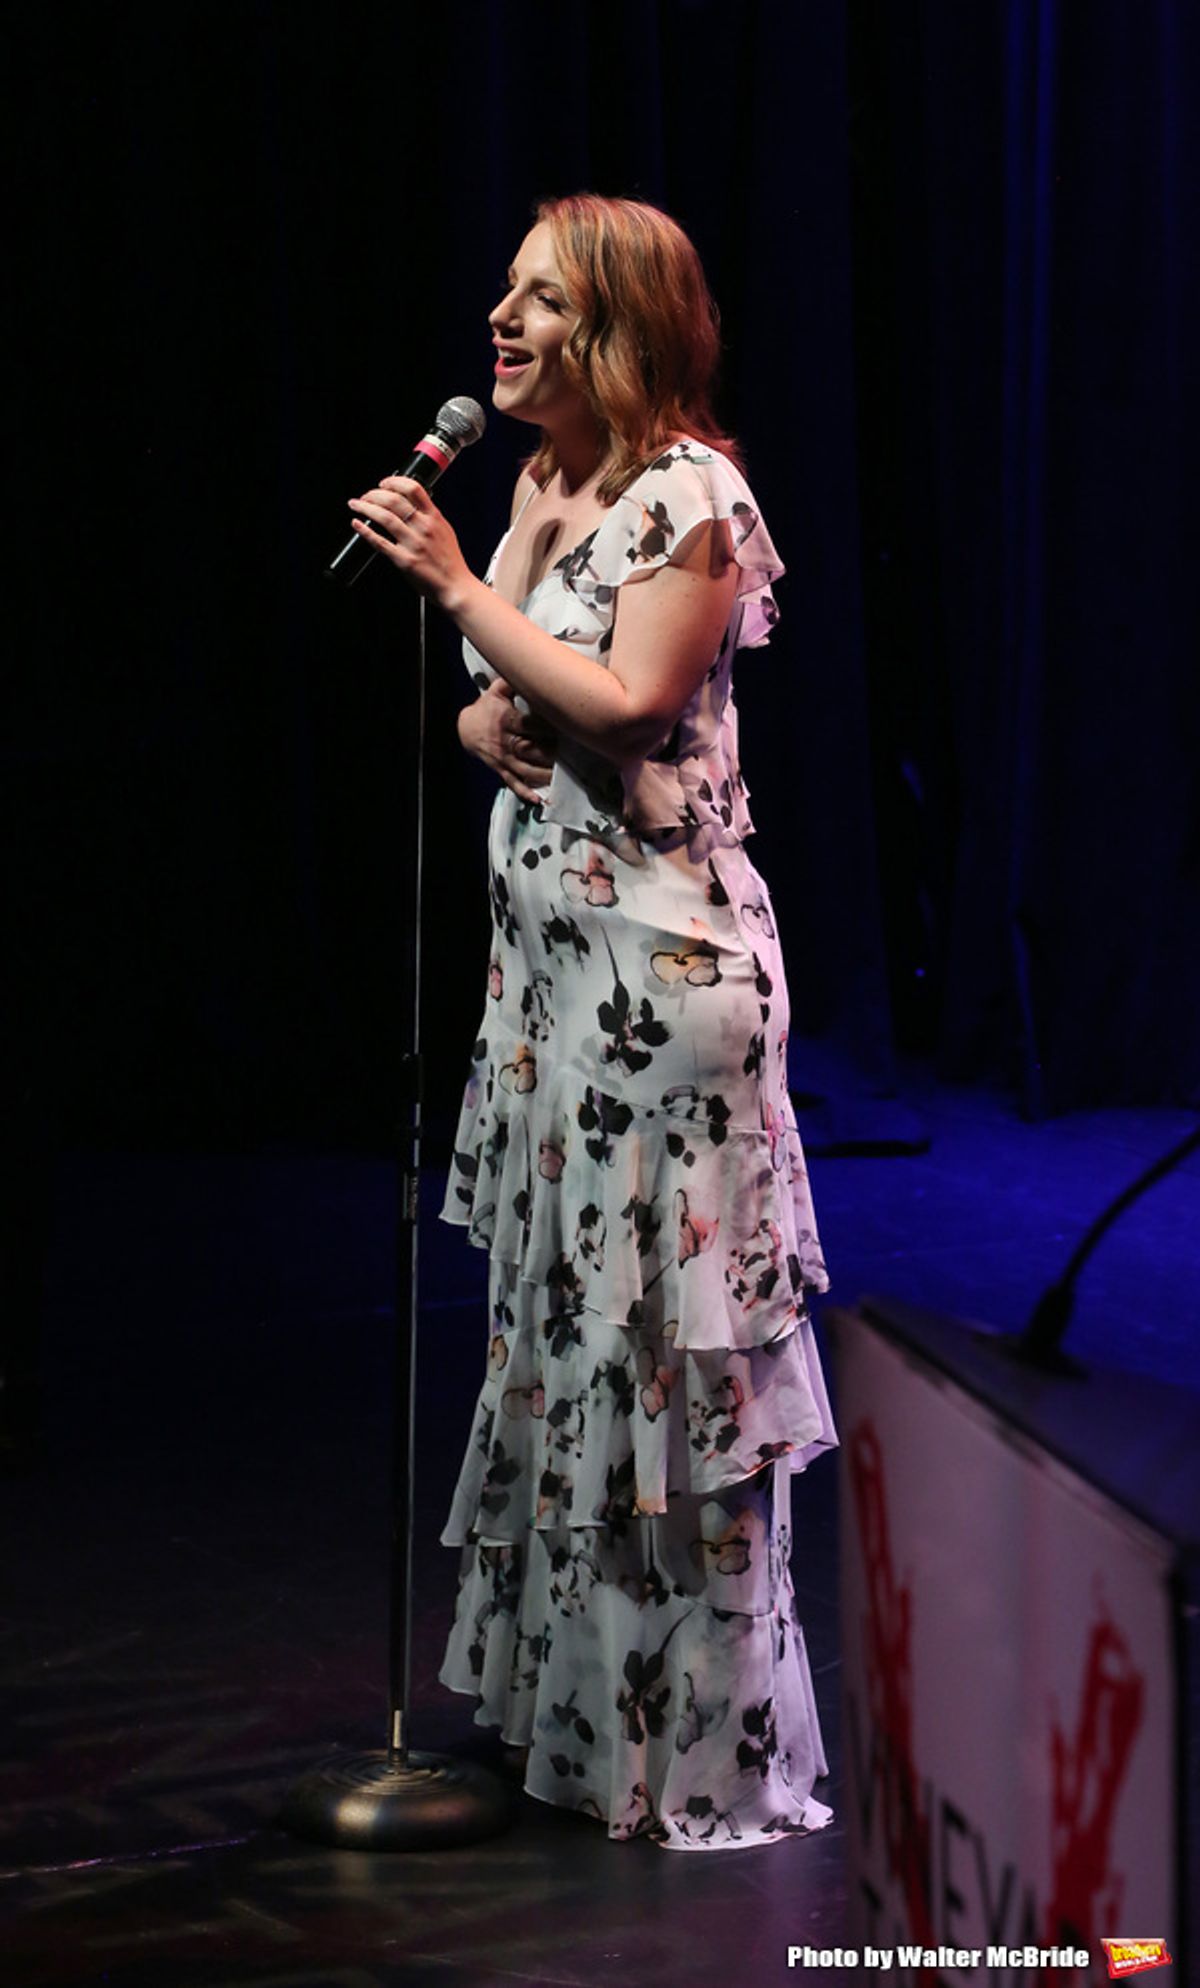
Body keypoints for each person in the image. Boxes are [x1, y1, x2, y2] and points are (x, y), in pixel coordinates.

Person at [348, 193, 836, 1850]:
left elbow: (632, 701)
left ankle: (700, 1757)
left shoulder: (693, 493)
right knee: (574, 1362)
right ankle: (589, 1740)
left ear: (618, 328)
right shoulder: (543, 482)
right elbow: (532, 695)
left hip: (668, 995)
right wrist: (486, 712)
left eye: (540, 301)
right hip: (556, 1001)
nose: (502, 323)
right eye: (504, 294)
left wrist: (456, 594)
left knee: (664, 1378)